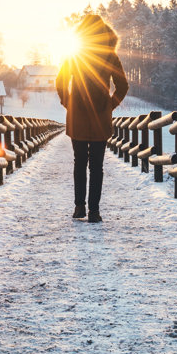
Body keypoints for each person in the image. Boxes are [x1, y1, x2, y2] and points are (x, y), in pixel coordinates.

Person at [55, 13, 129, 222]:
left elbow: (60, 81)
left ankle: (79, 207)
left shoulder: (75, 54)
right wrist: (110, 106)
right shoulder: (110, 55)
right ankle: (94, 211)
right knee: (97, 166)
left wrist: (67, 102)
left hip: (77, 116)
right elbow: (123, 86)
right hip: (100, 118)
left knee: (79, 163)